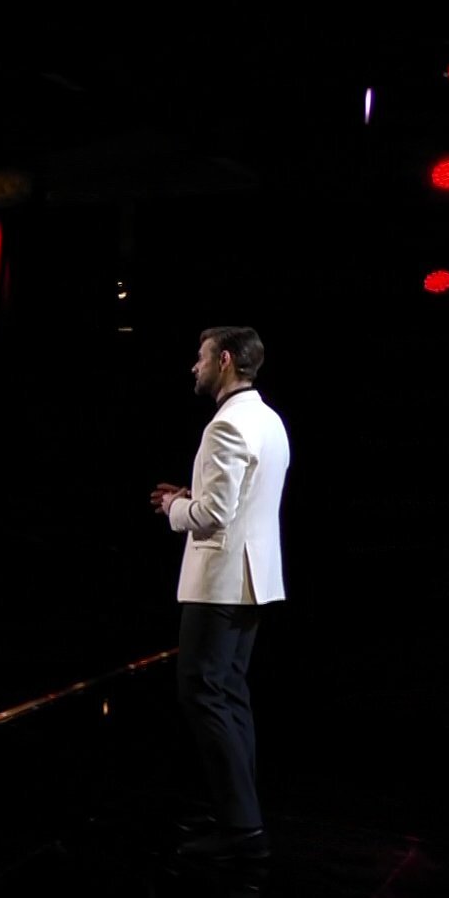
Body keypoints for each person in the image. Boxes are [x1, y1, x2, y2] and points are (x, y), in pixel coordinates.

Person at [150, 326, 289, 862]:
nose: (195, 366)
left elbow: (213, 515)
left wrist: (175, 508)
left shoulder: (226, 424)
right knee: (228, 694)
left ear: (225, 360)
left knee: (204, 694)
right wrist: (194, 495)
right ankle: (239, 814)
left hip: (220, 583)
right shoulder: (269, 420)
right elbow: (242, 499)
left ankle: (243, 829)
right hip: (252, 580)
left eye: (201, 357)